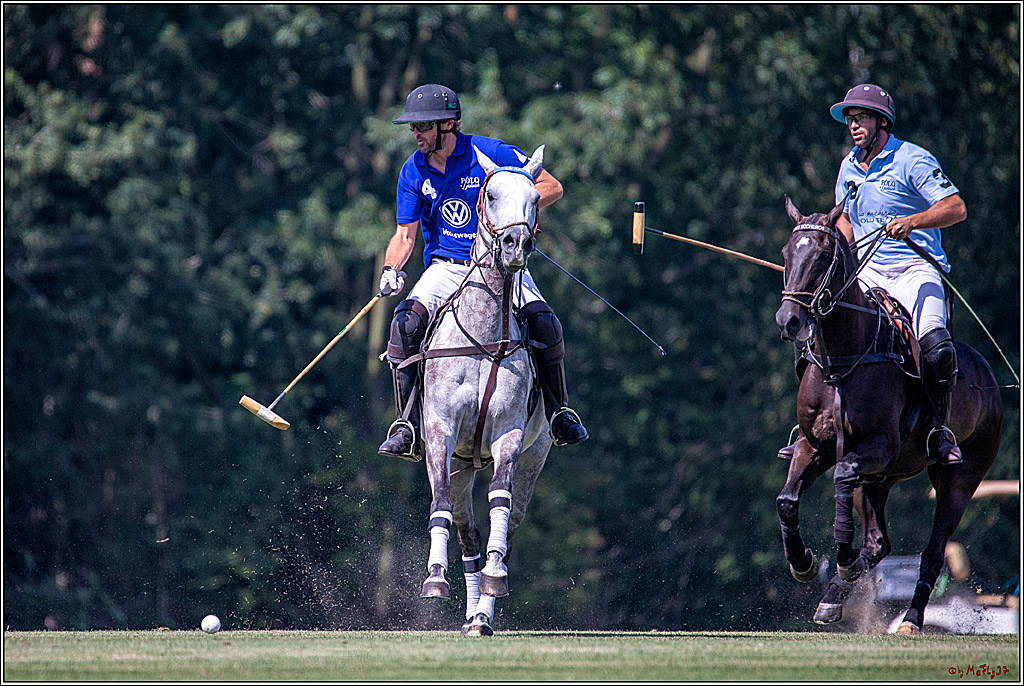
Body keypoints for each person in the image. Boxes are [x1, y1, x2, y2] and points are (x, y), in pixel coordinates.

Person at [376, 83, 588, 460]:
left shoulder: (490, 152)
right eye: (414, 129)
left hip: (499, 265)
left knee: (544, 322)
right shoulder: (412, 170)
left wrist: (515, 212)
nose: (416, 135)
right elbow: (404, 235)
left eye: (422, 127)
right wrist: (392, 268)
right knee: (404, 324)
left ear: (447, 125)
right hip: (446, 268)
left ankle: (558, 413)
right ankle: (407, 425)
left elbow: (549, 187)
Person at [779, 83, 966, 465]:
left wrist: (914, 221)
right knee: (818, 328)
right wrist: (825, 255)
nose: (853, 126)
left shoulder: (913, 159)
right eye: (850, 120)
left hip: (916, 269)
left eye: (860, 118)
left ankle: (937, 428)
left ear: (882, 122)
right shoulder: (848, 166)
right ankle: (811, 425)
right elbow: (846, 220)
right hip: (867, 270)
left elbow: (956, 208)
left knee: (935, 344)